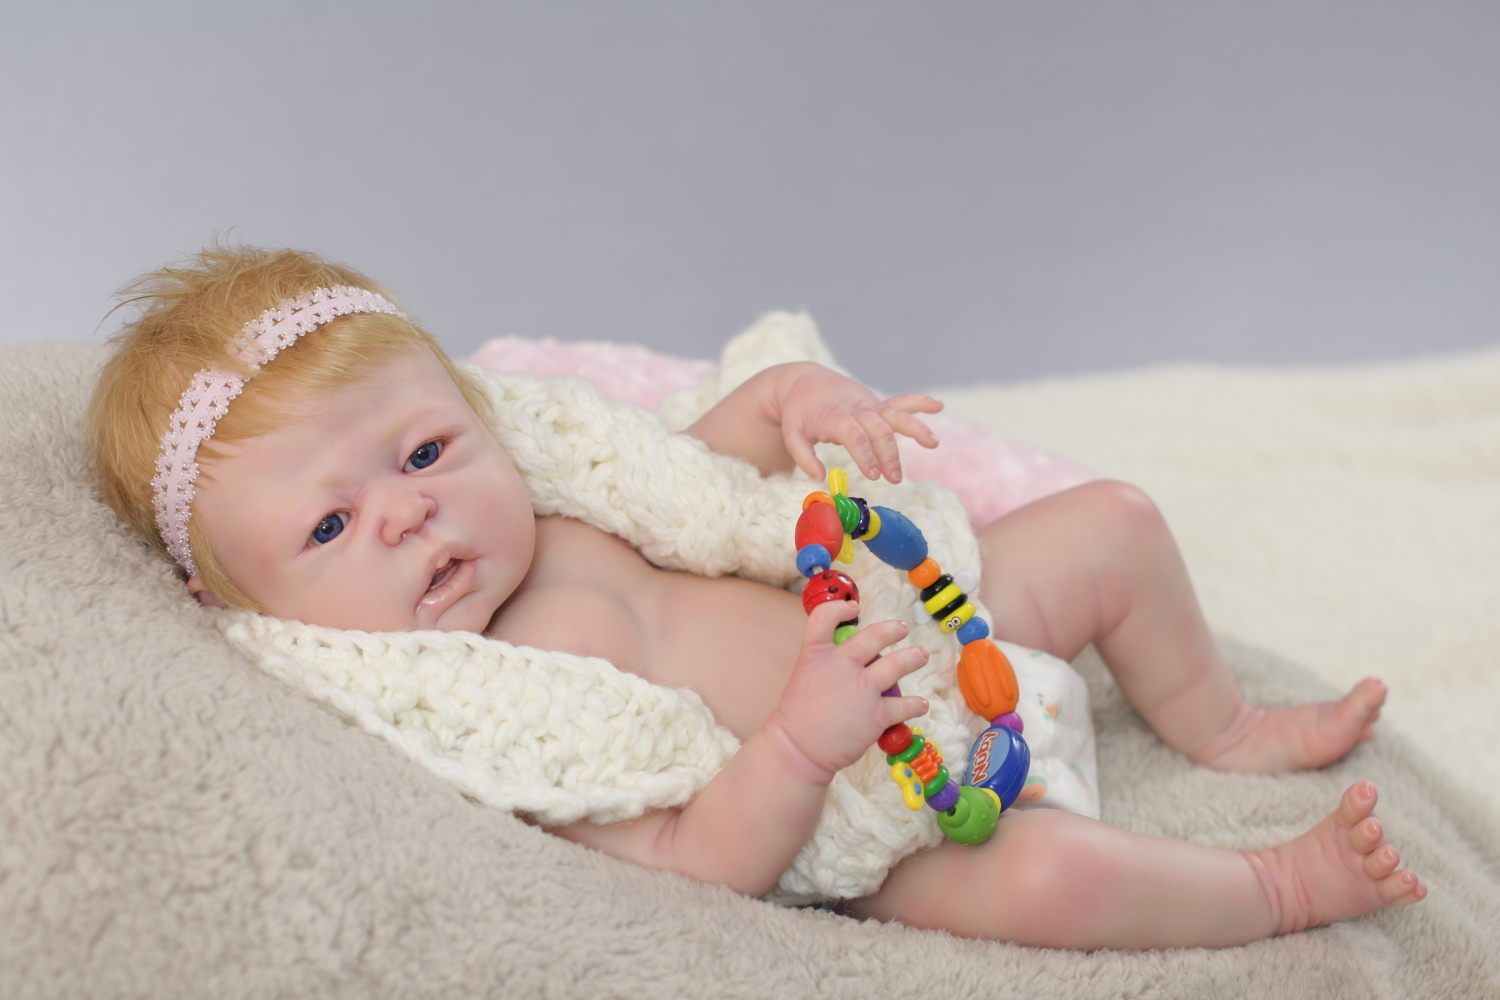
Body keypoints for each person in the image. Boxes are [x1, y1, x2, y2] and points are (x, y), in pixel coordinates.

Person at [87, 245, 1425, 950]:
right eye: (330, 526)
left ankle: (1224, 726)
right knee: (1057, 885)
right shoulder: (488, 725)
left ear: (477, 417)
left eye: (427, 450)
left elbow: (698, 468)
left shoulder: (556, 493)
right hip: (872, 812)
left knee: (1114, 525)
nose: (410, 510)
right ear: (267, 618)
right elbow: (692, 862)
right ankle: (1275, 889)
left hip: (940, 628)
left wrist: (796, 406)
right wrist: (802, 740)